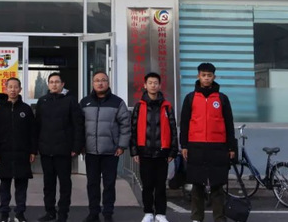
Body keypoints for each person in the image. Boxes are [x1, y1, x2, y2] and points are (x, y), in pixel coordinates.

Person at [180, 63, 236, 222]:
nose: (206, 78)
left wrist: (231, 147)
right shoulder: (190, 98)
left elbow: (229, 124)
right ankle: (197, 218)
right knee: (197, 185)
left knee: (218, 185)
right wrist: (184, 145)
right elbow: (184, 123)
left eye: (209, 75)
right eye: (203, 75)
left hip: (218, 146)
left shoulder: (222, 98)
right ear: (198, 76)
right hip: (196, 146)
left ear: (214, 77)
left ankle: (219, 218)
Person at [79, 71, 131, 222]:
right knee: (92, 184)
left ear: (108, 83)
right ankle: (93, 213)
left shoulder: (117, 102)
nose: (100, 83)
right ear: (93, 83)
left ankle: (108, 213)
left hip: (111, 151)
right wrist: (80, 145)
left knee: (109, 184)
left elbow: (125, 125)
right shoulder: (85, 102)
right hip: (91, 151)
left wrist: (122, 145)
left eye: (103, 80)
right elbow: (79, 125)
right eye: (97, 80)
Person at [34, 72, 84, 222]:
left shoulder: (70, 101)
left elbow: (78, 125)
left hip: (64, 150)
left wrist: (76, 146)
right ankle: (50, 212)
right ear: (48, 85)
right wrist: (36, 146)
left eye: (57, 82)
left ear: (62, 84)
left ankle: (63, 214)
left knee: (64, 184)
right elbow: (37, 125)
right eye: (51, 82)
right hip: (46, 150)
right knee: (48, 184)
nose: (54, 84)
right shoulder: (42, 101)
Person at [130, 72, 178, 222]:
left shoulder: (166, 106)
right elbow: (133, 129)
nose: (153, 85)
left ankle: (161, 214)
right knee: (147, 185)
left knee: (161, 185)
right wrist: (134, 151)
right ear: (145, 85)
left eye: (155, 83)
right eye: (150, 83)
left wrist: (173, 150)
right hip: (144, 152)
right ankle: (148, 212)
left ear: (160, 85)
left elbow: (173, 128)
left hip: (162, 152)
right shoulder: (139, 106)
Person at [0, 77, 37, 222]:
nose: (13, 90)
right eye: (10, 87)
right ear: (6, 89)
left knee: (21, 186)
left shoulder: (26, 109)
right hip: (4, 153)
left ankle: (19, 214)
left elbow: (32, 132)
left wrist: (33, 151)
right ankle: (4, 214)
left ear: (20, 89)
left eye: (16, 87)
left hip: (22, 153)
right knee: (4, 186)